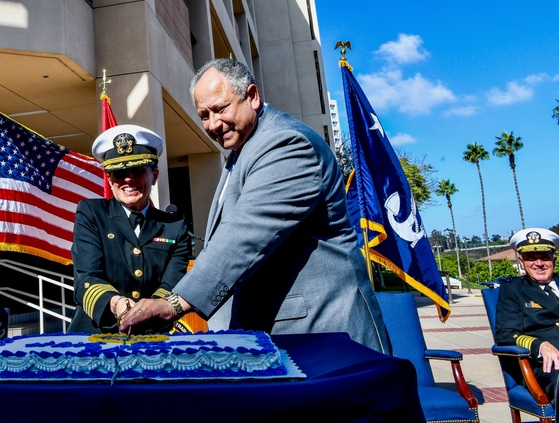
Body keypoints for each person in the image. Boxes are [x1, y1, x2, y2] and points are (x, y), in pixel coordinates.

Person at [119, 58, 390, 353]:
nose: (213, 124)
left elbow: (246, 234)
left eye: (221, 109)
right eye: (204, 115)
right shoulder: (242, 151)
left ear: (252, 96)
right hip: (280, 341)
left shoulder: (286, 143)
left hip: (325, 340)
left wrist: (173, 303)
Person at [69, 124, 190, 334]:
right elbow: (87, 278)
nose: (128, 179)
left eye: (137, 170)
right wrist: (117, 304)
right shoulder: (91, 214)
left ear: (155, 175)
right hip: (95, 336)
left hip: (152, 335)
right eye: (119, 172)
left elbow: (173, 284)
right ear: (109, 178)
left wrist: (147, 312)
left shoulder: (174, 227)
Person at [495, 228, 559, 400]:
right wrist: (539, 345)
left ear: (554, 259)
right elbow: (505, 334)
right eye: (531, 258)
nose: (539, 263)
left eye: (544, 257)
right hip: (549, 365)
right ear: (521, 261)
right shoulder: (513, 290)